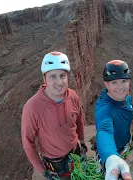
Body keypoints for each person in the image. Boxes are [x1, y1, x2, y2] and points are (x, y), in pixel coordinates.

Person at [21, 51, 88, 180]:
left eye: (62, 75)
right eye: (53, 76)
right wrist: (42, 170)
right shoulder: (32, 108)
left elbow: (79, 120)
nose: (59, 82)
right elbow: (28, 142)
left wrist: (83, 142)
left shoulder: (73, 96)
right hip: (56, 164)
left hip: (76, 153)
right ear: (44, 78)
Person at [94, 60, 133, 180]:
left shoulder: (127, 98)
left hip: (123, 146)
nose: (120, 87)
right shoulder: (104, 109)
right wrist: (111, 157)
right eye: (114, 82)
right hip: (111, 150)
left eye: (123, 81)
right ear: (106, 84)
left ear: (129, 82)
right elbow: (104, 130)